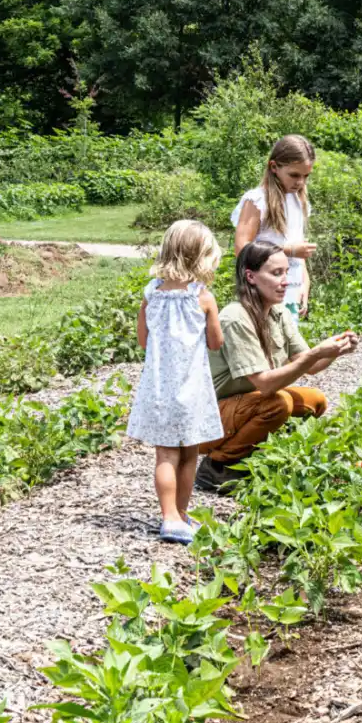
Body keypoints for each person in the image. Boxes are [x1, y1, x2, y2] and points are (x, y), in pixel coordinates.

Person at [194, 239, 358, 493]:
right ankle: (217, 466)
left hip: (247, 403)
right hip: (211, 419)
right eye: (276, 273)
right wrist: (315, 353)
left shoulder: (277, 311)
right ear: (251, 276)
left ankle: (258, 455)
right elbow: (266, 383)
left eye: (286, 272)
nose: (286, 281)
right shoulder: (235, 317)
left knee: (315, 400)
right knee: (278, 403)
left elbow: (310, 365)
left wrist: (336, 350)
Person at [128, 220, 225, 544]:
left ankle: (172, 517)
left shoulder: (151, 294)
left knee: (165, 455)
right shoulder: (203, 297)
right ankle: (178, 516)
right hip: (192, 388)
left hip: (159, 387)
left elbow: (143, 340)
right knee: (189, 454)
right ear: (201, 257)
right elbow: (215, 343)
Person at [234, 135, 317, 320]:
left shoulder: (299, 201)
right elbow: (242, 248)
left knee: (286, 340)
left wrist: (305, 284)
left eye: (305, 176)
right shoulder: (257, 200)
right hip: (263, 288)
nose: (300, 182)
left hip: (291, 284)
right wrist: (289, 250)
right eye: (294, 175)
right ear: (274, 167)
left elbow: (299, 253)